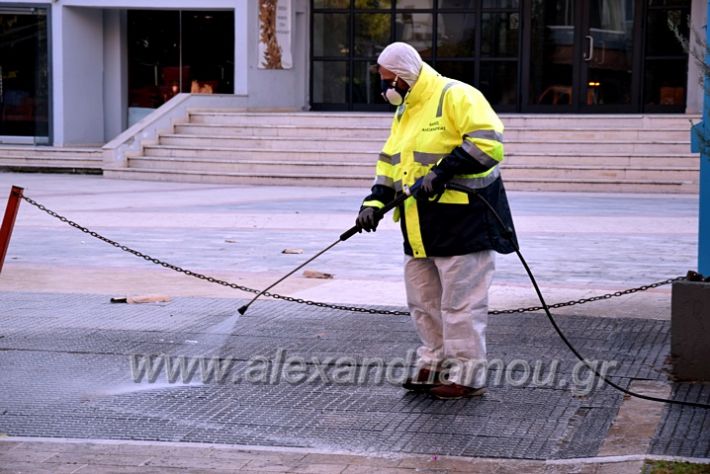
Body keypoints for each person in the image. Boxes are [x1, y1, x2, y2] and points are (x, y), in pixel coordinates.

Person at [356, 42, 518, 400]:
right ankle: (435, 363)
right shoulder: (405, 112)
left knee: (461, 306)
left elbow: (490, 143)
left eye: (387, 80)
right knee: (424, 304)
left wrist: (444, 171)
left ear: (402, 76)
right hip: (419, 228)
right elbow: (390, 164)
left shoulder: (457, 96)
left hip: (464, 222)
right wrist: (374, 202)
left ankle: (467, 376)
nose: (384, 87)